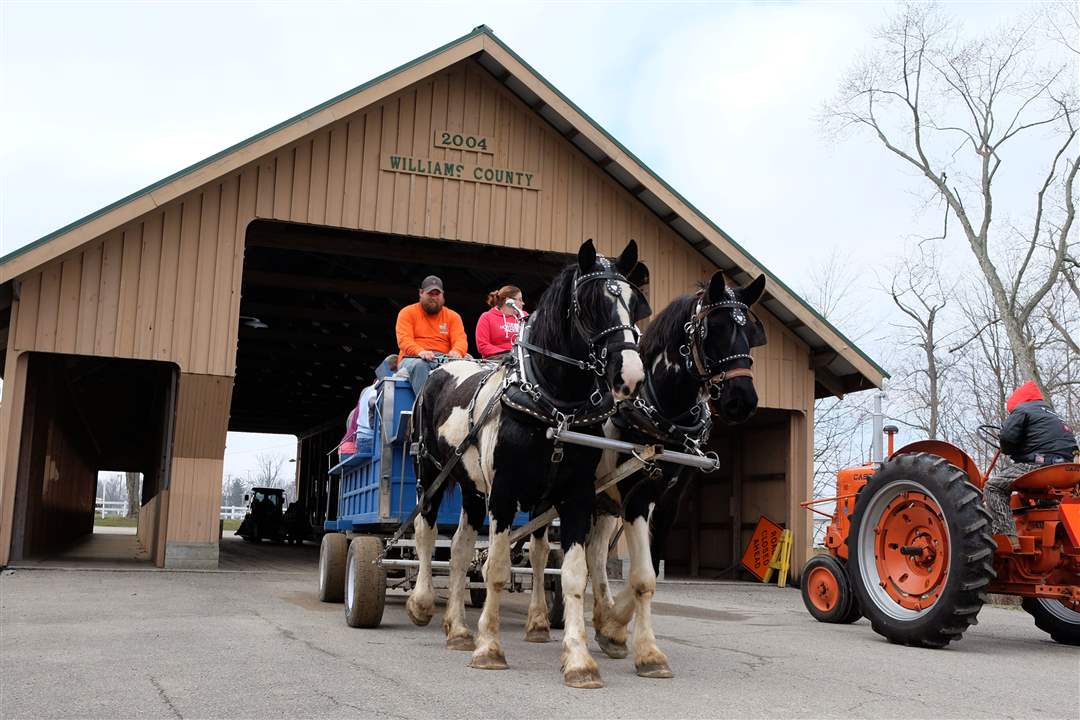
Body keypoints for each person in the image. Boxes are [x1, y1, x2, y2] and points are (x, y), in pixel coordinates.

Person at [984, 380, 1078, 550]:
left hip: (1041, 466)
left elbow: (1007, 440)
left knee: (993, 487)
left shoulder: (1021, 410)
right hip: (1068, 469)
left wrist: (1006, 446)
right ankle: (1045, 525)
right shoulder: (1052, 414)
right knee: (1045, 496)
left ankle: (1008, 538)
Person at [395, 275, 468, 393]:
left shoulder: (453, 316)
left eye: (437, 294)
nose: (434, 297)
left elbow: (460, 339)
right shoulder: (407, 312)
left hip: (442, 359)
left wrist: (457, 351)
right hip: (413, 358)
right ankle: (424, 409)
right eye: (430, 294)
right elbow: (404, 340)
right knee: (420, 366)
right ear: (421, 293)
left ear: (442, 295)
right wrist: (420, 352)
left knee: (466, 367)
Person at [475, 285, 526, 358]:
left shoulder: (524, 316)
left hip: (522, 359)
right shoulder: (487, 317)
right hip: (497, 361)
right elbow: (483, 346)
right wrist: (508, 353)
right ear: (509, 301)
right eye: (520, 300)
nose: (523, 303)